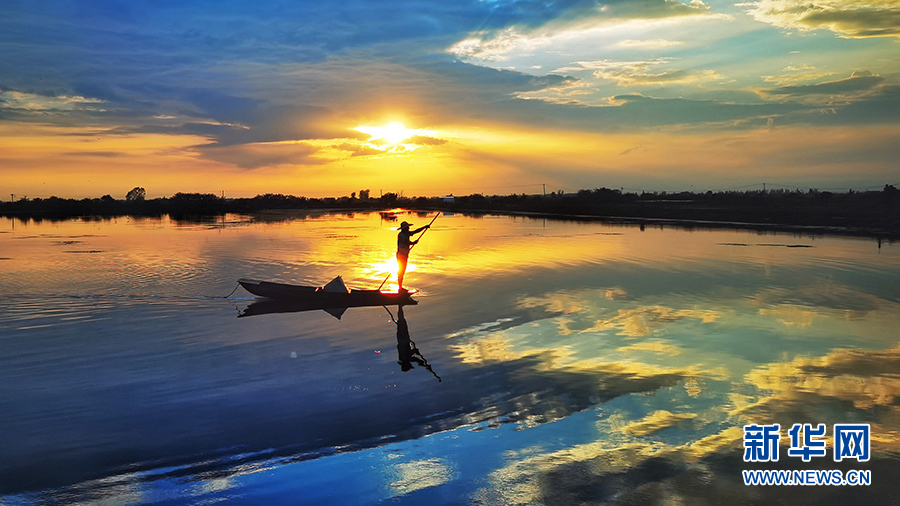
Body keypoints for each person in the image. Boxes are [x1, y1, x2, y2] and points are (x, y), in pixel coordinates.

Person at [396, 221, 429, 291]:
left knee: (402, 271)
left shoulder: (406, 233)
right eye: (407, 227)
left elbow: (415, 231)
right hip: (401, 255)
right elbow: (406, 242)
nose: (408, 228)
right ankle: (400, 288)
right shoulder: (401, 235)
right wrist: (413, 242)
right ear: (404, 228)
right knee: (401, 271)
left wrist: (424, 227)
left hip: (405, 255)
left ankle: (400, 287)